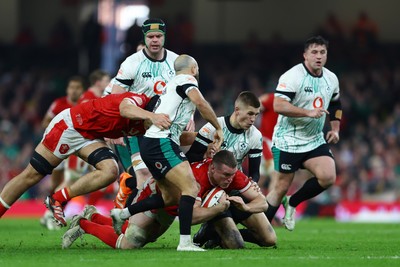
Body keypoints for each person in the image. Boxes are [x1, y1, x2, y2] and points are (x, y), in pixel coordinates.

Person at [0, 92, 172, 227]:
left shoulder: (149, 123)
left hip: (90, 137)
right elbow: (124, 109)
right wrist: (151, 116)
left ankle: (57, 198)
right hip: (69, 127)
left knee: (110, 171)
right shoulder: (137, 100)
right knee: (32, 175)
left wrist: (198, 138)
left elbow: (173, 137)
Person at [110, 54, 223, 251]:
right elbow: (202, 104)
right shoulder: (186, 80)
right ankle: (185, 243)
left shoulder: (171, 85)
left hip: (152, 143)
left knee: (170, 197)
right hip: (161, 143)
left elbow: (179, 131)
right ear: (194, 69)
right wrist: (217, 128)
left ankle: (124, 213)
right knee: (191, 187)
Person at [62, 150, 276, 249]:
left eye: (232, 175)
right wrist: (220, 208)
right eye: (225, 176)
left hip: (172, 209)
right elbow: (190, 218)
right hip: (156, 197)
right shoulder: (196, 178)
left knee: (146, 238)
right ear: (212, 168)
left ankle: (93, 216)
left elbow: (263, 203)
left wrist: (246, 205)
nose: (230, 180)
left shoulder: (232, 174)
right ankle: (83, 223)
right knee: (130, 242)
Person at [264, 35, 342, 231]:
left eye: (322, 52)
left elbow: (335, 103)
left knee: (328, 176)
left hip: (314, 140)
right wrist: (308, 112)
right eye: (314, 52)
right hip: (288, 139)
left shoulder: (331, 78)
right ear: (305, 55)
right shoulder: (292, 76)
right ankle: (261, 228)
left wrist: (335, 128)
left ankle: (292, 202)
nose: (318, 56)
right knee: (280, 186)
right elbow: (278, 105)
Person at [104, 18, 180, 203]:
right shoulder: (132, 63)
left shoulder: (176, 61)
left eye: (159, 36)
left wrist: (191, 116)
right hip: (137, 128)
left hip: (168, 128)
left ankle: (131, 195)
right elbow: (115, 99)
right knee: (143, 173)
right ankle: (132, 220)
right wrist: (114, 130)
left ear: (164, 37)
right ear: (144, 38)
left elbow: (186, 91)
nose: (155, 40)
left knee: (166, 176)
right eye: (151, 36)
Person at [186, 91, 263, 182]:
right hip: (209, 181)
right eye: (250, 114)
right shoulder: (213, 127)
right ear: (237, 110)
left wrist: (253, 183)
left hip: (234, 183)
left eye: (256, 114)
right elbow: (190, 158)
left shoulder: (255, 135)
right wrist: (205, 155)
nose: (253, 119)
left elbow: (254, 174)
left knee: (258, 196)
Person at [40, 76, 85, 230]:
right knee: (56, 183)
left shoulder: (84, 104)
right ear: (67, 89)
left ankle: (52, 214)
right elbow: (45, 122)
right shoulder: (59, 104)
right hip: (58, 148)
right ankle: (52, 210)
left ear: (82, 90)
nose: (74, 90)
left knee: (70, 179)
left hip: (76, 150)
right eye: (72, 87)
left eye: (77, 87)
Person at [257, 93, 278, 191]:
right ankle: (271, 205)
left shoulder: (295, 103)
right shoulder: (273, 98)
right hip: (267, 142)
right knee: (276, 176)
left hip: (277, 144)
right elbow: (256, 103)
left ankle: (250, 202)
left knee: (261, 178)